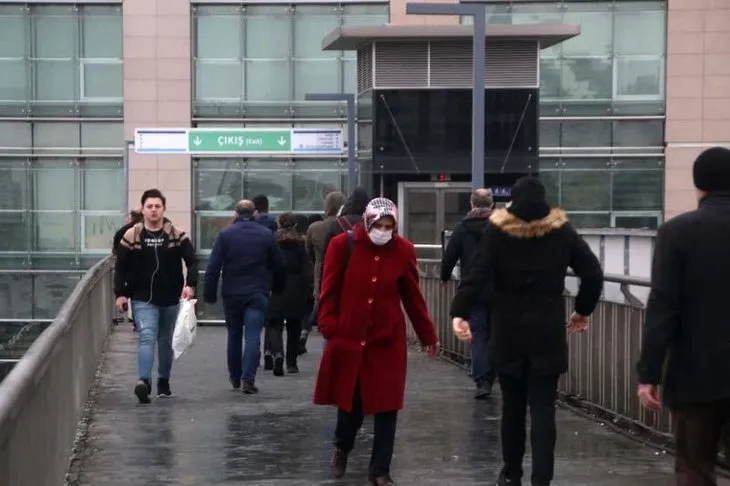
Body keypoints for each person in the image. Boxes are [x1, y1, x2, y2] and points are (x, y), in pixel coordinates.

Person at [449, 176, 603, 486]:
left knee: (513, 407)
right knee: (544, 408)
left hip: (508, 330)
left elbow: (476, 273)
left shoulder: (498, 230)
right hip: (547, 330)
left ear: (513, 202)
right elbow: (593, 273)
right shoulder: (562, 231)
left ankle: (512, 474)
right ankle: (542, 480)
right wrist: (581, 311)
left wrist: (460, 312)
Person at [314, 197, 440, 486]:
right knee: (351, 403)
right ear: (368, 222)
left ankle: (380, 470)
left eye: (389, 226)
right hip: (348, 336)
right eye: (379, 225)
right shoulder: (342, 246)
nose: (383, 231)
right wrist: (329, 325)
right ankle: (342, 446)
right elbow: (329, 288)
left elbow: (412, 296)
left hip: (386, 341)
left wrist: (427, 335)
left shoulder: (403, 250)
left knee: (387, 405)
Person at [637, 147, 730, 486]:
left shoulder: (677, 232)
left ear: (698, 184)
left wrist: (649, 374)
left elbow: (663, 307)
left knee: (694, 468)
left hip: (694, 373)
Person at [114, 189, 197, 404]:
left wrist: (190, 285)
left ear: (163, 209)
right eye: (149, 206)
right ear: (143, 209)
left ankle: (163, 382)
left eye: (157, 206)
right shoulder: (132, 235)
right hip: (142, 297)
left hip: (170, 297)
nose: (153, 210)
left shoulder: (176, 234)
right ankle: (143, 382)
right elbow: (120, 266)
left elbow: (192, 260)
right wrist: (120, 294)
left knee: (165, 340)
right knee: (147, 336)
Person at [204, 199, 285, 395]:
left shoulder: (225, 235)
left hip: (232, 293)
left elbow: (213, 267)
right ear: (255, 213)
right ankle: (248, 379)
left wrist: (209, 294)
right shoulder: (266, 235)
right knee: (253, 335)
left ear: (235, 214)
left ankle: (235, 376)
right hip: (257, 292)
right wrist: (277, 288)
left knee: (234, 335)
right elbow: (278, 265)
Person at [441, 188, 496, 399]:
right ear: (492, 205)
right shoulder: (502, 228)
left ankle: (483, 381)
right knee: (498, 332)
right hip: (500, 290)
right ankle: (499, 372)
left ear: (472, 205)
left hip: (473, 290)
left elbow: (449, 256)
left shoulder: (463, 228)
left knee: (479, 335)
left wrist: (445, 277)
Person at [265, 212, 313, 375]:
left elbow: (267, 265)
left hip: (275, 286)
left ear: (279, 224)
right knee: (294, 327)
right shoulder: (301, 243)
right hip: (296, 288)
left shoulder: (272, 241)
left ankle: (278, 353)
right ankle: (292, 363)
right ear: (295, 225)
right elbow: (307, 269)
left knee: (274, 325)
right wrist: (308, 291)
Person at [303, 191, 347, 353]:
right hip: (344, 276)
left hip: (321, 275)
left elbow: (309, 252)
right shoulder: (346, 226)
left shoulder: (315, 228)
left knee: (325, 315)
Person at [252, 194, 278, 370]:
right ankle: (269, 349)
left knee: (253, 321)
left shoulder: (251, 226)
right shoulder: (274, 225)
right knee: (272, 318)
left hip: (254, 277)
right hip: (270, 277)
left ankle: (256, 354)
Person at [113, 209, 143, 331]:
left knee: (134, 296)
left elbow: (116, 248)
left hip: (129, 269)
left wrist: (119, 292)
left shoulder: (124, 231)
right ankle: (140, 322)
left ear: (131, 217)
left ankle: (137, 322)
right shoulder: (144, 229)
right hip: (140, 269)